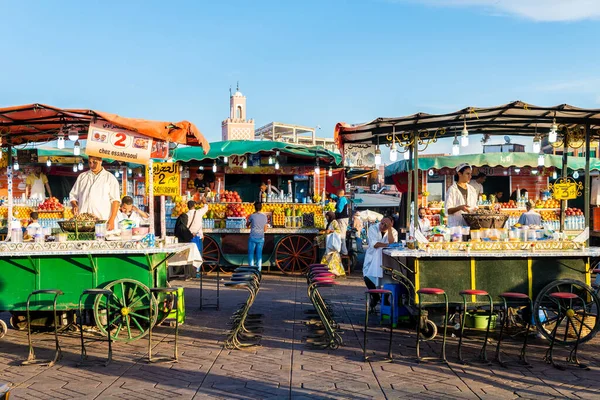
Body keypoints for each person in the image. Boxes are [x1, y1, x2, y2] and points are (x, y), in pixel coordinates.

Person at [69, 156, 120, 230]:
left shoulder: (110, 178)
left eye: (94, 162)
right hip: (83, 221)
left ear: (100, 161)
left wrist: (112, 219)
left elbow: (116, 201)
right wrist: (74, 205)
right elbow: (73, 195)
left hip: (102, 220)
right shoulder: (82, 177)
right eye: (90, 162)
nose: (92, 165)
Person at [363, 216, 398, 313]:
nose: (382, 226)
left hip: (386, 260)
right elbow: (375, 244)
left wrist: (389, 228)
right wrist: (388, 245)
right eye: (382, 223)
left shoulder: (393, 231)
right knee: (368, 277)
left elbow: (392, 241)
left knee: (388, 279)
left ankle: (384, 298)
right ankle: (376, 297)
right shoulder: (372, 228)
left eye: (385, 224)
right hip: (371, 259)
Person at [444, 163, 478, 228]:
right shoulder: (452, 190)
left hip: (470, 225)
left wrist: (475, 209)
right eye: (467, 174)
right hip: (456, 227)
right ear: (459, 174)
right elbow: (448, 210)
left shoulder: (472, 189)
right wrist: (460, 208)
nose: (470, 176)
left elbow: (474, 206)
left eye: (471, 174)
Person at [316, 211, 346, 276]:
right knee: (332, 259)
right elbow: (327, 233)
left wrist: (331, 231)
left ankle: (327, 272)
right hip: (330, 243)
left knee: (329, 258)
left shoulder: (334, 222)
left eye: (327, 216)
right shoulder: (330, 223)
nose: (326, 218)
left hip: (332, 244)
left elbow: (338, 231)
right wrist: (320, 237)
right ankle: (332, 272)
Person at [247, 202, 268, 271]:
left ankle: (251, 270)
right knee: (259, 255)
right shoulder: (264, 216)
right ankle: (258, 271)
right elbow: (265, 229)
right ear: (261, 208)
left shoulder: (252, 216)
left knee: (251, 254)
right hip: (261, 238)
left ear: (254, 208)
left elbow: (247, 225)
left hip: (252, 237)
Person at [330, 189, 349, 256]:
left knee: (341, 235)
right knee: (340, 234)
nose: (336, 193)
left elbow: (339, 210)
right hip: (341, 219)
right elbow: (335, 197)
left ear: (339, 193)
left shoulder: (342, 200)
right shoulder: (340, 198)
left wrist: (333, 212)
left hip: (342, 219)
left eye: (337, 192)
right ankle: (341, 250)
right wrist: (329, 194)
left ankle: (344, 252)